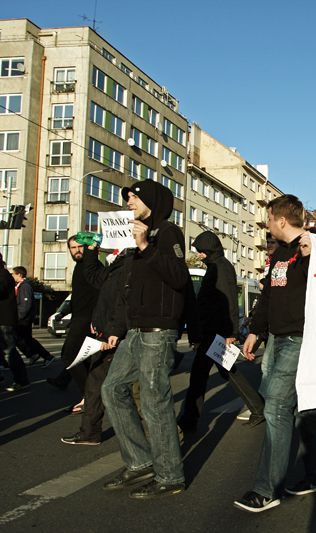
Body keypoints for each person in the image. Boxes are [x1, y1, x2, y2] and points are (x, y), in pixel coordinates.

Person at [235, 194, 316, 512]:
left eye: (268, 218)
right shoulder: (279, 255)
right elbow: (269, 298)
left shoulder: (311, 249)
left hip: (300, 340)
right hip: (277, 339)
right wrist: (256, 333)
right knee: (305, 409)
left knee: (276, 407)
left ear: (281, 219)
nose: (266, 225)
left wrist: (313, 252)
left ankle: (266, 489)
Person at [100, 180, 192, 499]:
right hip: (135, 330)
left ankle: (170, 474)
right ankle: (140, 462)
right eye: (126, 197)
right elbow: (128, 289)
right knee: (112, 389)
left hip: (157, 330)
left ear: (150, 199)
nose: (128, 201)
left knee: (154, 401)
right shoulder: (136, 237)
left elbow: (179, 277)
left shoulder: (167, 233)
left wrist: (145, 247)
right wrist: (117, 326)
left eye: (134, 197)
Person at [179, 230, 265, 433]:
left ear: (208, 250)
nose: (198, 255)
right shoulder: (215, 266)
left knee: (201, 377)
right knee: (226, 373)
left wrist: (231, 332)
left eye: (200, 251)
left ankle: (188, 420)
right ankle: (258, 408)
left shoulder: (221, 268)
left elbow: (229, 302)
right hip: (212, 331)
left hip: (215, 332)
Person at [61, 246, 133, 446]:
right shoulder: (116, 266)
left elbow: (122, 303)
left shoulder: (129, 266)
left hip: (115, 335)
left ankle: (161, 436)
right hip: (105, 332)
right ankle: (89, 433)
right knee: (97, 384)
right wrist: (91, 251)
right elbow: (97, 281)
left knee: (127, 391)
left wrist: (113, 330)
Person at [46, 237, 101, 414]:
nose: (77, 250)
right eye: (73, 247)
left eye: (80, 247)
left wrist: (96, 319)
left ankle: (90, 397)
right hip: (79, 318)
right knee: (82, 360)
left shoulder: (92, 266)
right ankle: (90, 396)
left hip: (87, 320)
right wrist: (62, 311)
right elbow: (78, 295)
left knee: (69, 356)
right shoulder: (80, 266)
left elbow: (101, 294)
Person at [11, 266, 54, 366]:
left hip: (24, 319)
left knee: (24, 339)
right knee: (22, 339)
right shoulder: (21, 286)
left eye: (13, 274)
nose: (12, 276)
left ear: (19, 275)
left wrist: (18, 317)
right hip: (23, 318)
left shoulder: (25, 287)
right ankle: (33, 355)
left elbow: (25, 305)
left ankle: (46, 356)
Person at [1, 253, 28, 391]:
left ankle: (21, 380)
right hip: (4, 320)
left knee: (9, 351)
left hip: (4, 321)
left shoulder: (3, 275)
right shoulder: (4, 275)